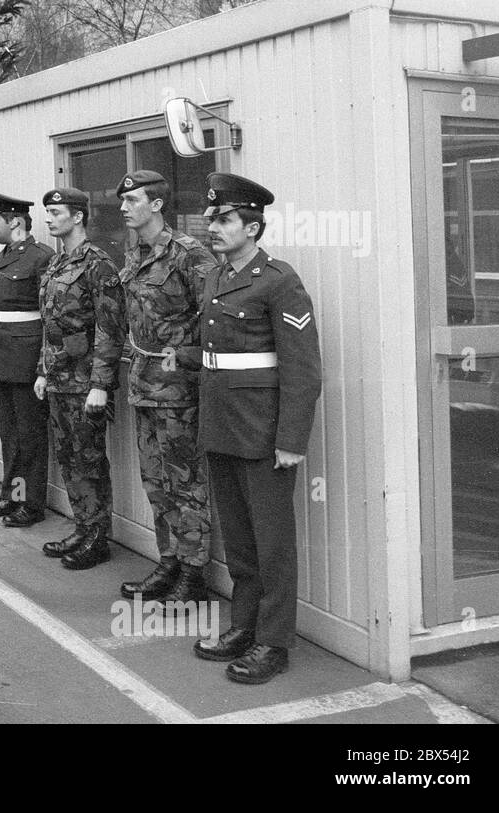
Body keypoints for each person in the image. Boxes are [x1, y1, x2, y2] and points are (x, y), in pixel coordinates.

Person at [192, 173, 322, 684]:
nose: (213, 228)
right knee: (240, 541)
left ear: (253, 226)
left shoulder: (279, 280)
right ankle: (243, 625)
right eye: (212, 219)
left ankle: (273, 641)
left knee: (272, 543)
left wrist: (292, 440)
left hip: (264, 433)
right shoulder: (217, 276)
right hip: (221, 425)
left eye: (223, 220)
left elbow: (303, 368)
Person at [103, 170, 219, 603]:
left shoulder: (190, 254)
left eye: (132, 200)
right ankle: (168, 561)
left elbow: (213, 320)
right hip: (144, 387)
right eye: (123, 200)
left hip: (179, 392)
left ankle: (194, 574)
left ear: (156, 205)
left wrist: (185, 362)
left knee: (185, 482)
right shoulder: (135, 253)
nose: (123, 207)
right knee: (155, 481)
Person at [35, 188, 127, 569]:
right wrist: (42, 370)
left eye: (56, 212)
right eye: (48, 213)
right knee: (69, 458)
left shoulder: (97, 264)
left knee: (89, 459)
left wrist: (100, 386)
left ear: (78, 217)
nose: (49, 219)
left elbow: (110, 329)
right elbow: (50, 325)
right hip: (59, 378)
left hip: (85, 381)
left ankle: (97, 537)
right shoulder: (57, 264)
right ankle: (83, 526)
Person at [0, 190, 55, 528]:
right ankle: (11, 496)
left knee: (29, 436)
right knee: (9, 433)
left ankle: (29, 504)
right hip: (1, 354)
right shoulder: (5, 254)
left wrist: (42, 366)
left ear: (15, 222)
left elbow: (50, 317)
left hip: (25, 358)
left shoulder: (41, 257)